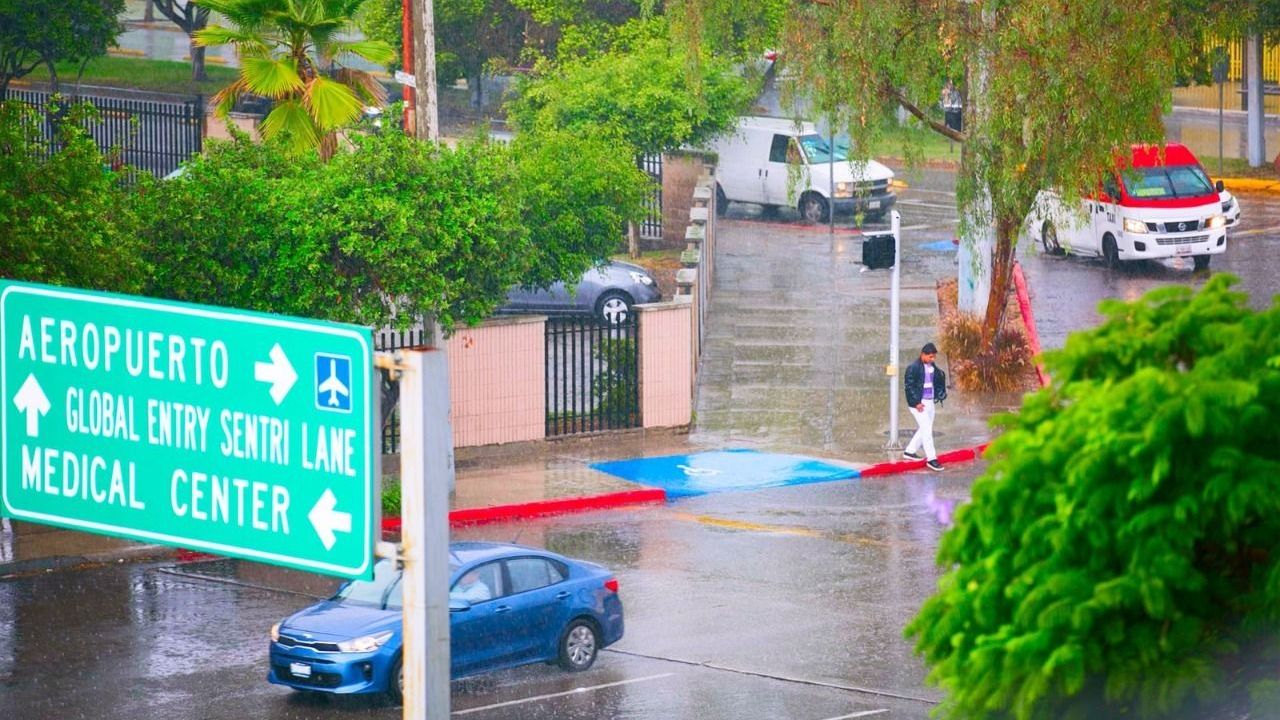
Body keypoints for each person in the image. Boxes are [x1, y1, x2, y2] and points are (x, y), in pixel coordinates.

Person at [903, 342, 947, 471]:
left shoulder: (932, 367)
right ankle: (931, 458)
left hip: (929, 401)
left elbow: (937, 381)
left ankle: (910, 451)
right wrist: (916, 402)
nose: (932, 359)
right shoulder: (913, 368)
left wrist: (940, 392)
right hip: (918, 403)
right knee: (927, 431)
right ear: (923, 354)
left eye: (933, 357)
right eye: (930, 357)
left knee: (925, 428)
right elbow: (909, 387)